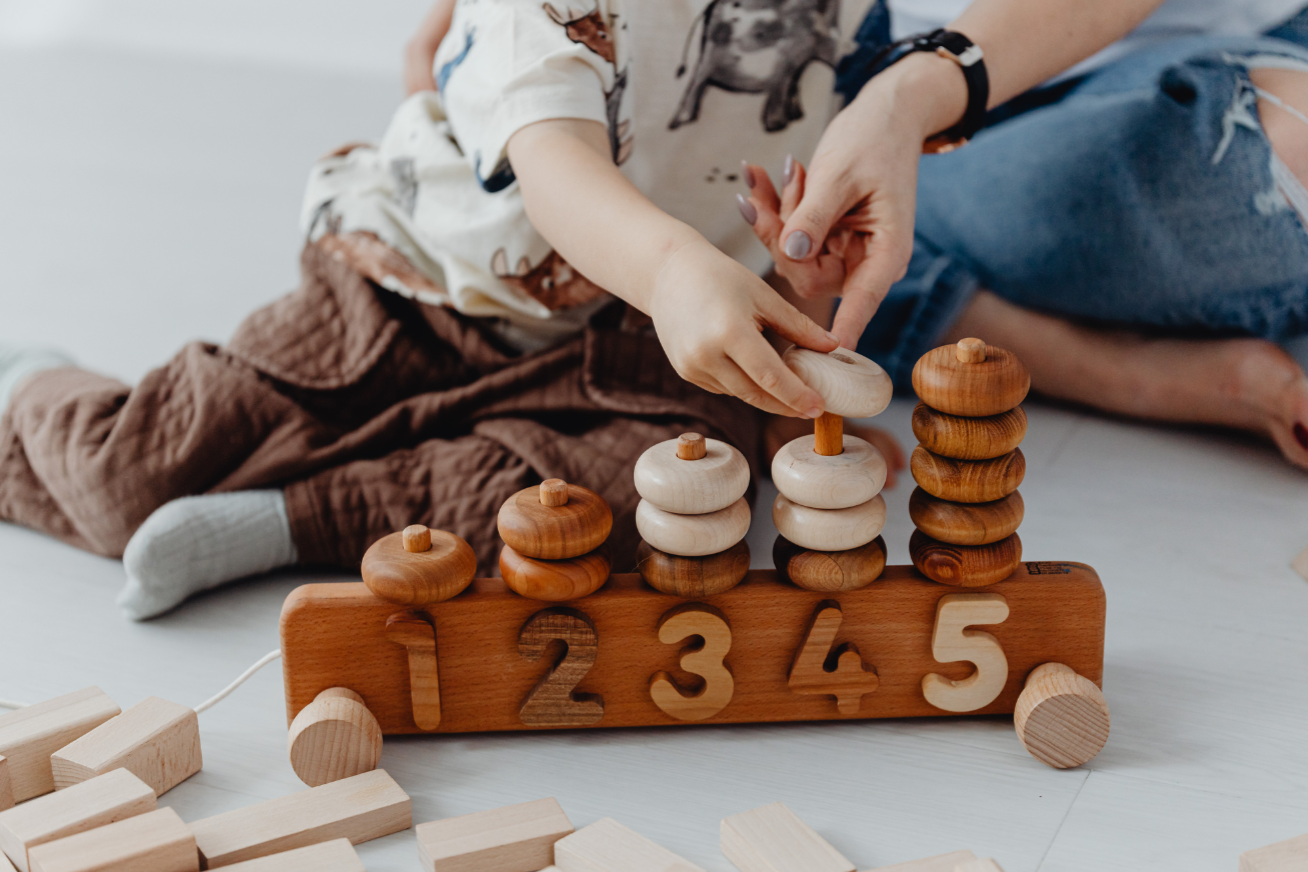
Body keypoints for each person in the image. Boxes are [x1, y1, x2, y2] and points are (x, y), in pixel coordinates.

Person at [738, 0, 1308, 468]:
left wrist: (906, 100)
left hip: (1210, 56)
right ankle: (1133, 372)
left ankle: (915, 290)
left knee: (1289, 160)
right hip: (903, 95)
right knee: (829, 218)